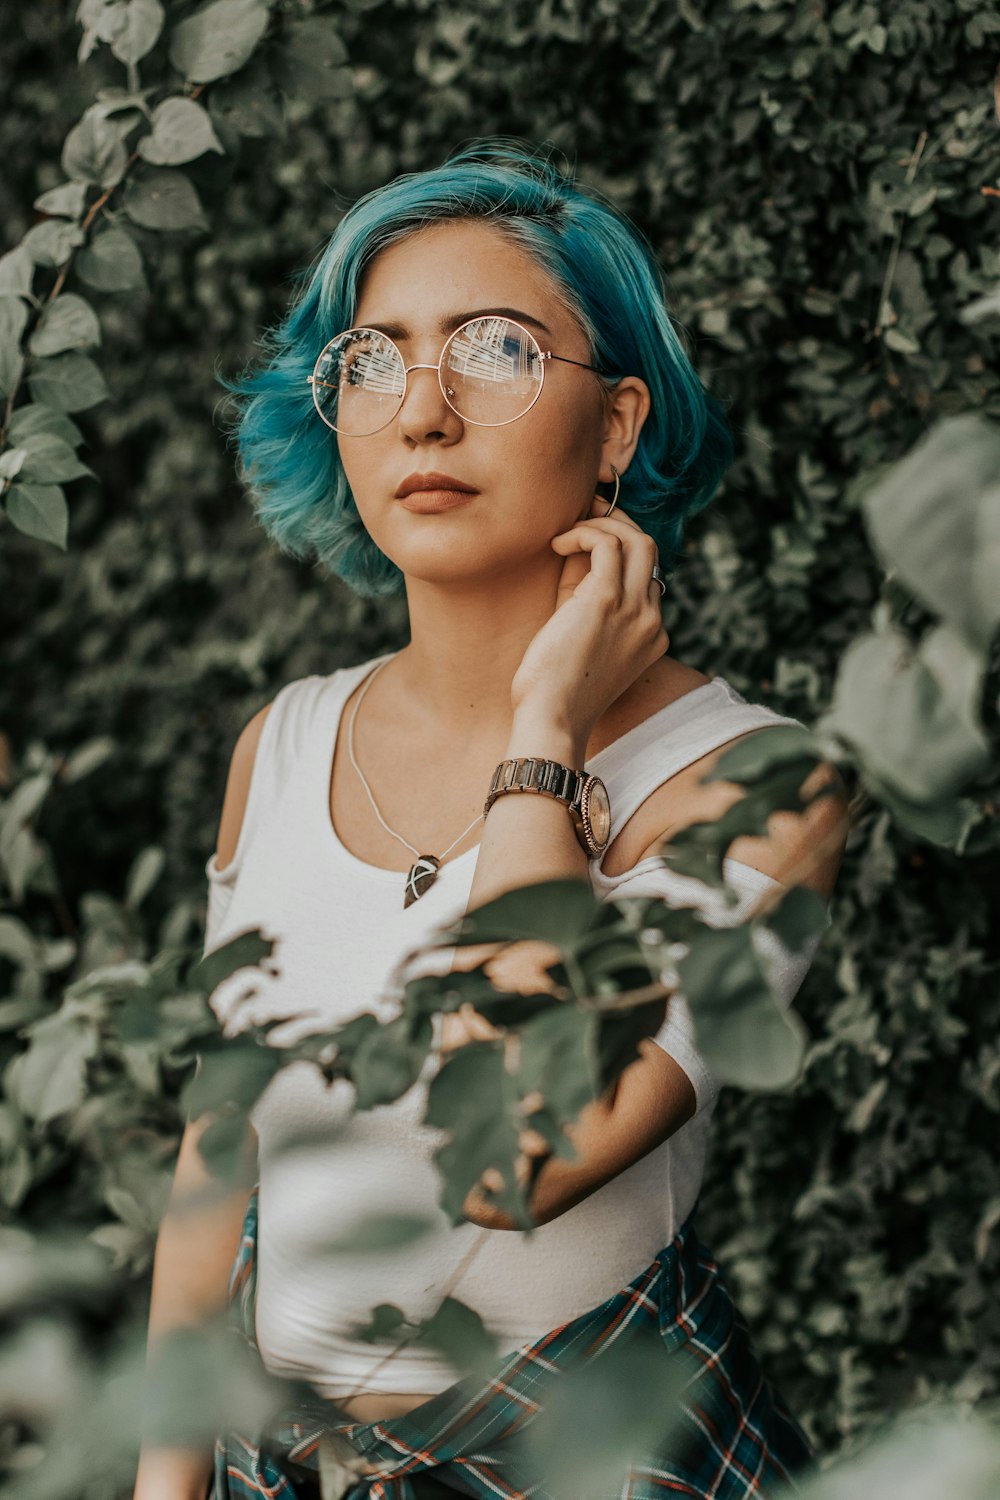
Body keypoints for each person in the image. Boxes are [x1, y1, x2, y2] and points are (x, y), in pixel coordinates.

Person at [133, 140, 849, 1500]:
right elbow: (217, 1152)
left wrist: (545, 737)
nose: (423, 410)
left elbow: (522, 1146)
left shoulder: (759, 782)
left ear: (621, 425)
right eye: (375, 357)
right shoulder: (282, 745)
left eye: (498, 349)